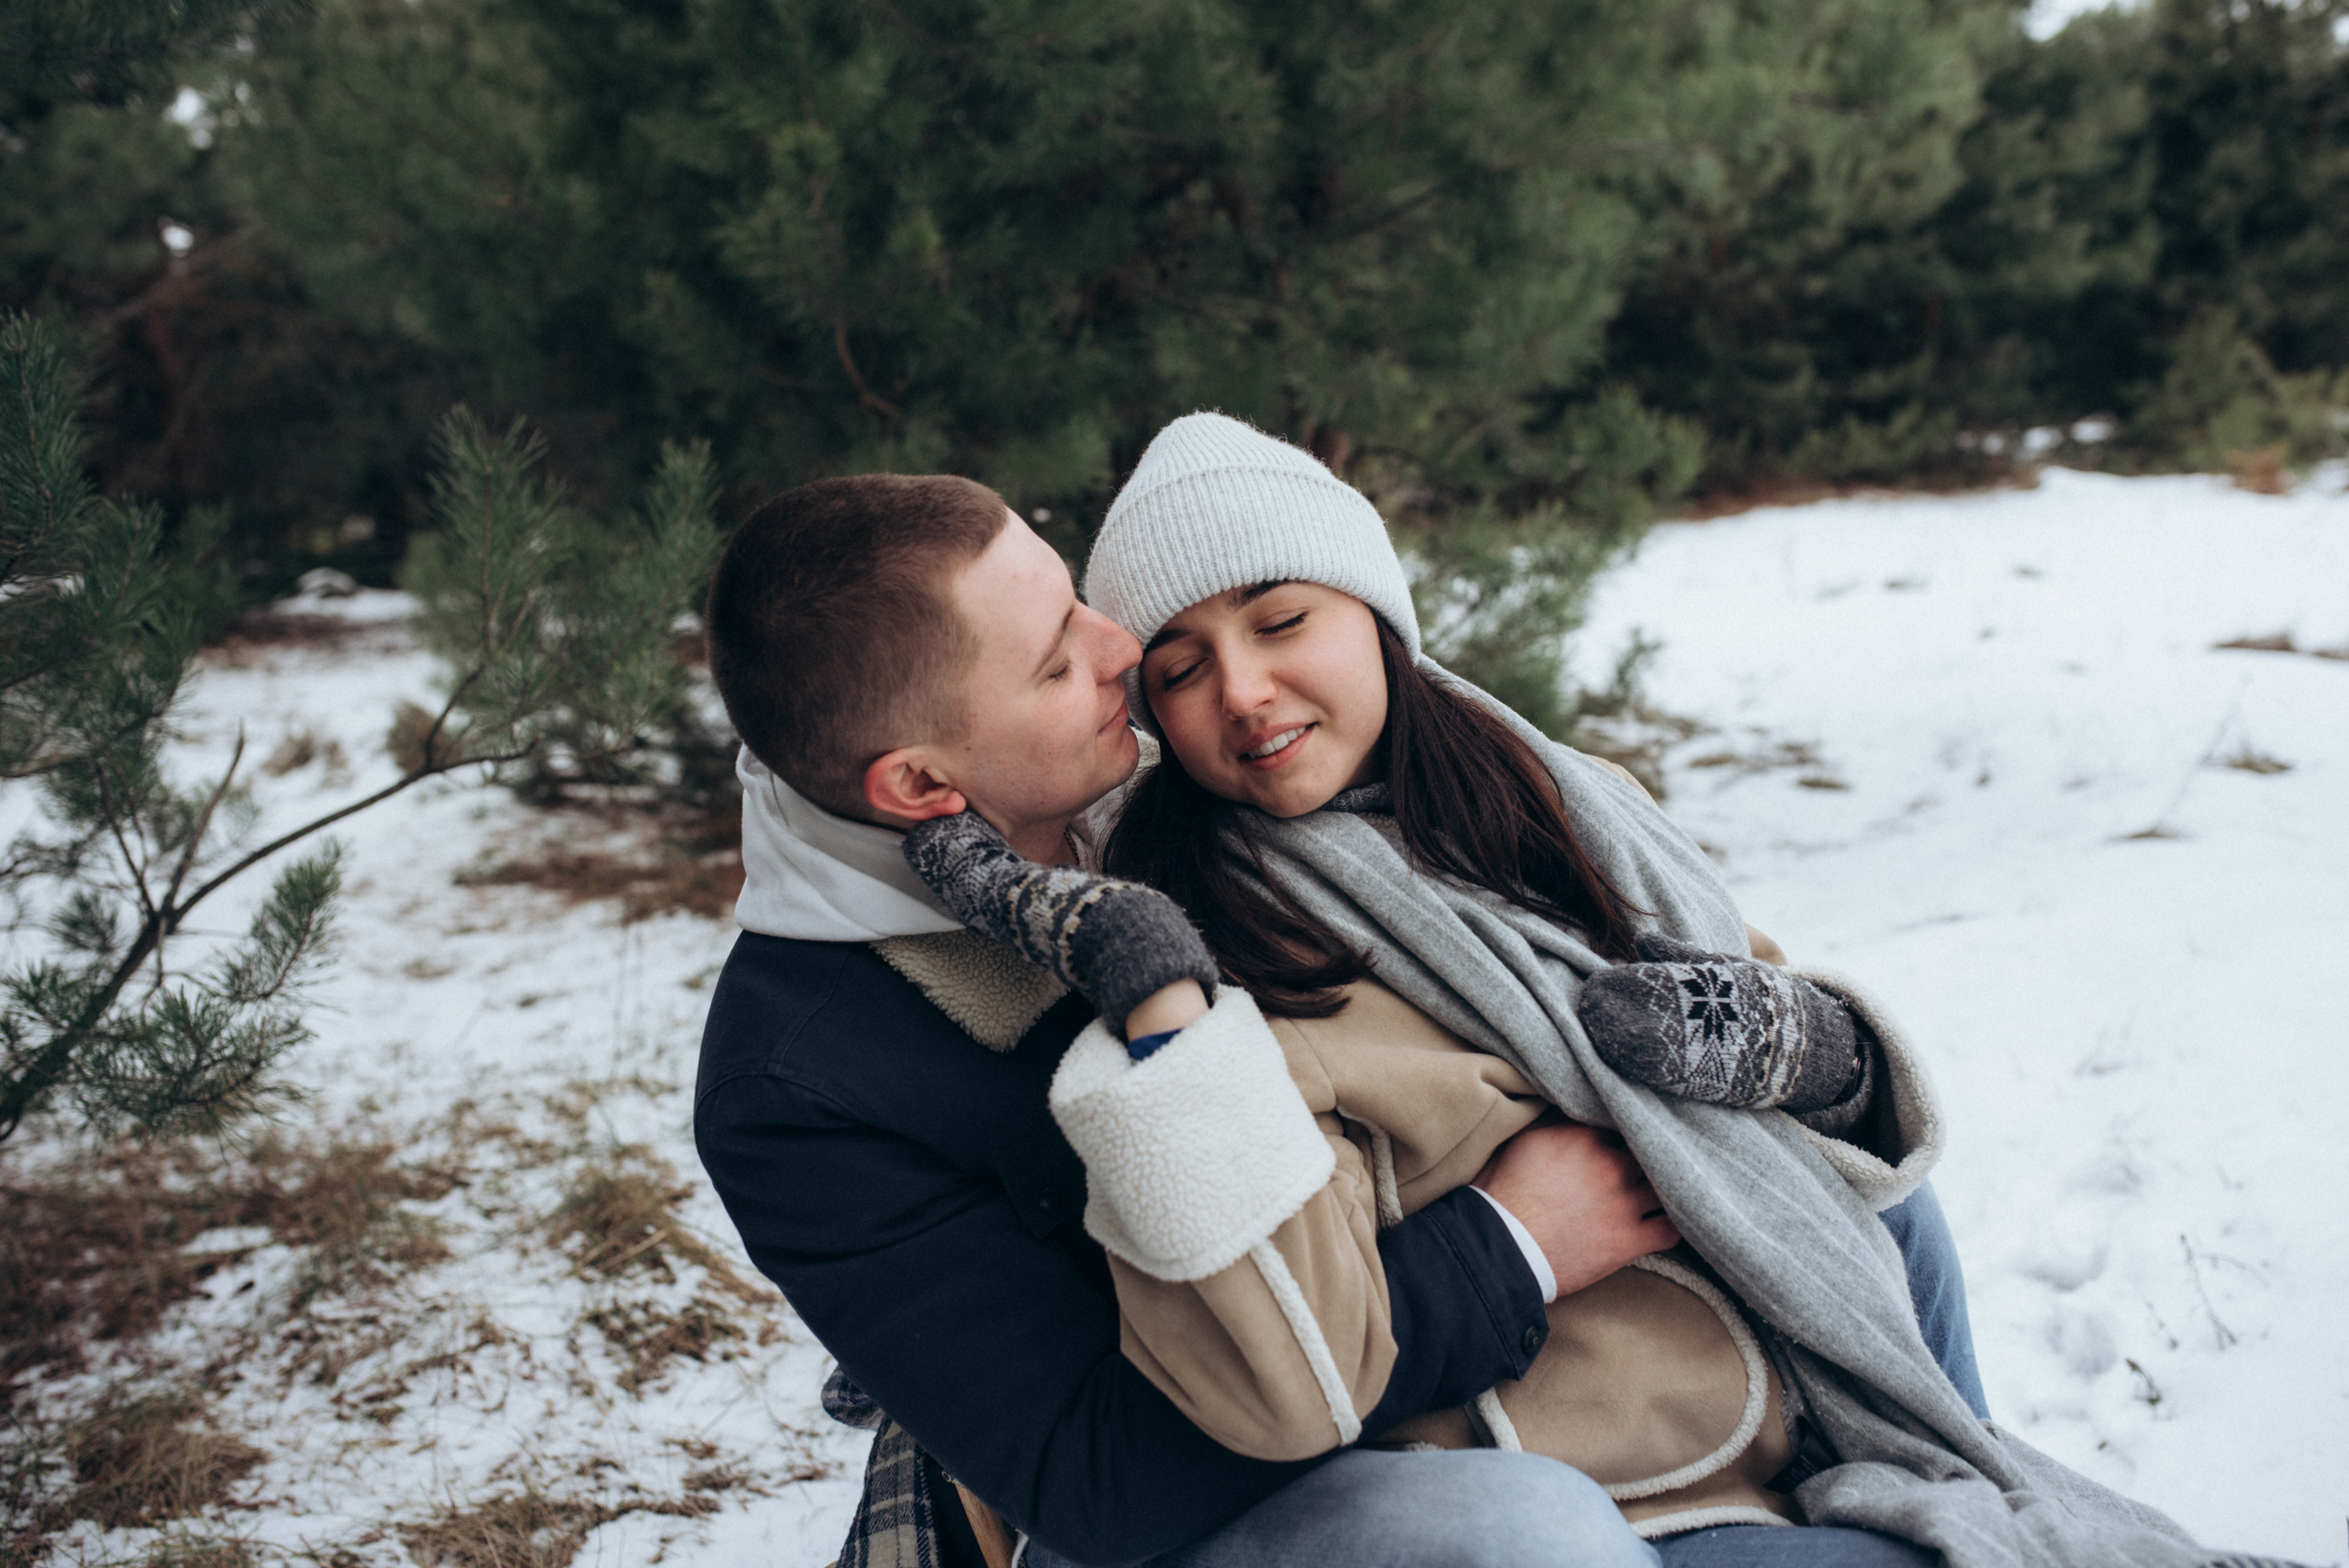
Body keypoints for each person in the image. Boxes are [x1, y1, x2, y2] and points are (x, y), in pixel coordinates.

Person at [688, 468, 2206, 1568]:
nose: (1125, 658)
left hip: (1506, 1364)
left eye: (1078, 596)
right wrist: (1518, 1239)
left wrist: (1803, 1070)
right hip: (1229, 1484)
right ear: (916, 787)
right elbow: (1108, 1478)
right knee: (1521, 1531)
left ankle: (1969, 1491)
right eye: (1059, 654)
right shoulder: (802, 1077)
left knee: (1865, 1218)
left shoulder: (1154, 787)